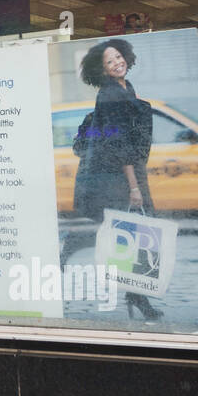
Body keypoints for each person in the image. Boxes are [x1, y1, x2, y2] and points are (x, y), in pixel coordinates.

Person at [75, 39, 161, 322]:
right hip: (118, 176)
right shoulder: (110, 94)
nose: (117, 63)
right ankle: (136, 296)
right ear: (102, 70)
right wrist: (134, 186)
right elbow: (120, 144)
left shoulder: (127, 88)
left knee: (133, 236)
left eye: (118, 57)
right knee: (130, 237)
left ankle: (136, 295)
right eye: (109, 62)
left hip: (128, 171)